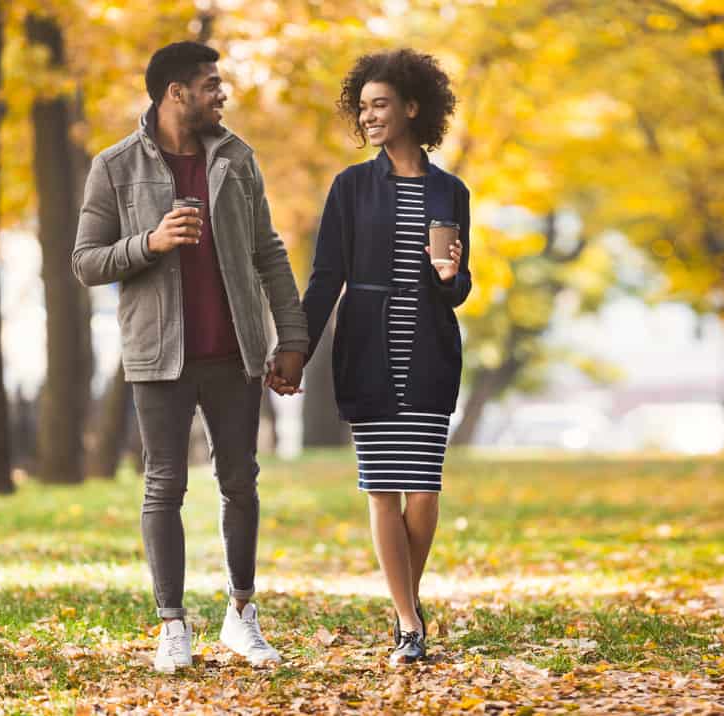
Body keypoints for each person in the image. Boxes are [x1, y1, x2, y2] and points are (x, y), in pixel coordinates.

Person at [72, 42, 308, 673]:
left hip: (235, 353)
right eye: (210, 85)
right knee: (164, 485)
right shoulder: (115, 166)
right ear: (175, 92)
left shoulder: (236, 158)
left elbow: (269, 254)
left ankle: (241, 614)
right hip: (158, 356)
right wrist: (148, 242)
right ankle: (172, 623)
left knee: (240, 483)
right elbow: (86, 261)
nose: (220, 94)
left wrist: (292, 338)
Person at [298, 48, 470, 666]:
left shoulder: (452, 191)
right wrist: (296, 348)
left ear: (413, 108)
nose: (369, 117)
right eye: (363, 107)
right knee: (382, 493)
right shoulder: (349, 187)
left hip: (428, 352)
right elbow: (325, 279)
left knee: (422, 493)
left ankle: (407, 604)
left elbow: (457, 287)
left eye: (381, 105)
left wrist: (450, 275)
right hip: (368, 350)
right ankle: (408, 622)